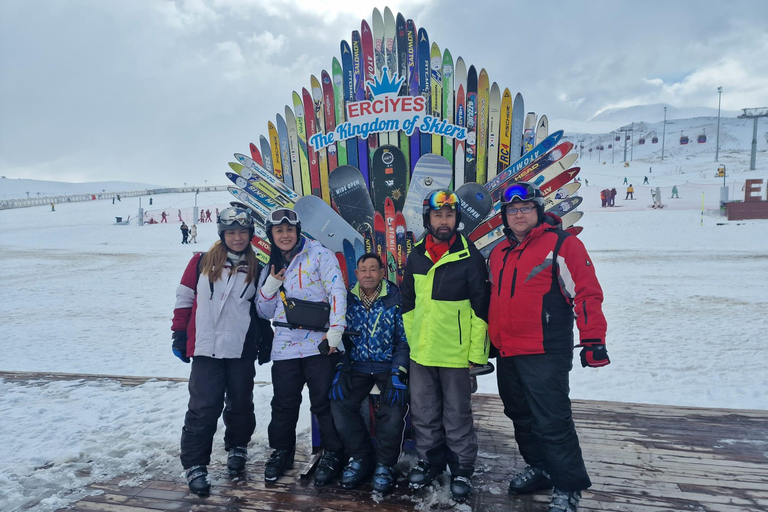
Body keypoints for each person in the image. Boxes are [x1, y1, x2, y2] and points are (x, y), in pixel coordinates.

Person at [488, 182, 609, 512]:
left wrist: (593, 340)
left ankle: (568, 486)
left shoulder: (562, 244)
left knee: (552, 421)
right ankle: (540, 467)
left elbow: (586, 293)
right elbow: (494, 301)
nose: (519, 215)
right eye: (512, 210)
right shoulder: (499, 253)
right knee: (520, 416)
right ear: (504, 216)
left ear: (538, 210)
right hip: (508, 351)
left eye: (525, 208)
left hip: (544, 351)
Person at [170, 206, 273, 497]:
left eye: (243, 232)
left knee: (241, 403)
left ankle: (237, 447)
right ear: (222, 234)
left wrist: (264, 340)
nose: (238, 238)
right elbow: (184, 298)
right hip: (205, 348)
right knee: (203, 408)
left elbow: (260, 311)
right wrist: (179, 334)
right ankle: (195, 465)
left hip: (240, 348)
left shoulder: (257, 268)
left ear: (250, 235)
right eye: (231, 232)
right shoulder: (200, 262)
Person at [400, 189, 490, 502]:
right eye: (437, 215)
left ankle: (462, 467)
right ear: (428, 219)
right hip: (422, 353)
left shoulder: (469, 255)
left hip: (455, 354)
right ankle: (430, 460)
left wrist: (476, 355)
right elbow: (408, 305)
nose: (443, 221)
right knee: (424, 412)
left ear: (456, 219)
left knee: (457, 414)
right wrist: (414, 342)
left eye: (449, 216)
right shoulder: (416, 255)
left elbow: (481, 308)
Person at [256, 207, 347, 487]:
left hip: (319, 344)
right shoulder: (270, 265)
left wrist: (335, 331)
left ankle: (332, 453)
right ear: (272, 235)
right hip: (284, 346)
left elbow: (337, 291)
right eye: (278, 231)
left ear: (297, 232)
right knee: (283, 405)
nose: (285, 235)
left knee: (323, 403)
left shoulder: (319, 255)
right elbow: (264, 312)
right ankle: (281, 451)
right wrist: (270, 285)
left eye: (289, 230)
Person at [329, 253, 409, 494]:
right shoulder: (347, 299)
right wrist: (341, 367)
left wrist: (399, 371)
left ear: (382, 273)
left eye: (373, 270)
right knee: (340, 403)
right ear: (356, 273)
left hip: (387, 367)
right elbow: (339, 337)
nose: (368, 274)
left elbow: (404, 341)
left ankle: (385, 464)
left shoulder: (395, 298)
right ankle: (360, 457)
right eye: (363, 270)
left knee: (394, 409)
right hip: (358, 366)